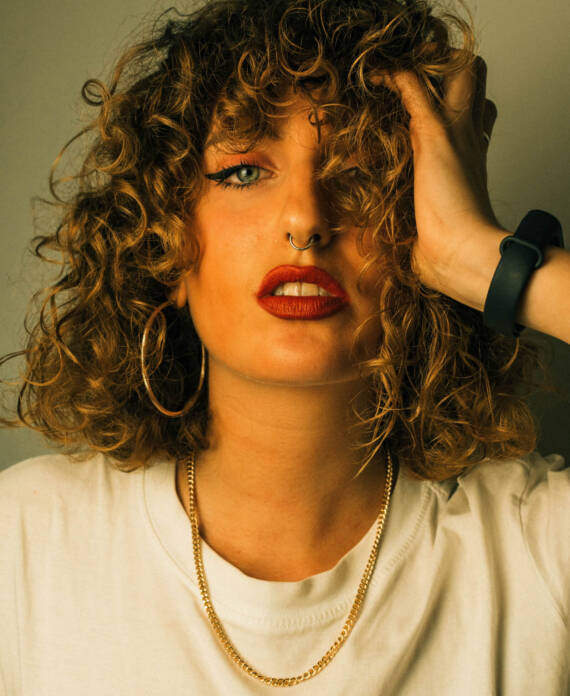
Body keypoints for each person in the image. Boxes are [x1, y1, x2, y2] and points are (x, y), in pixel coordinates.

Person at [0, 0, 568, 693]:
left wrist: (484, 261)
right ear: (166, 246)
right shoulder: (23, 544)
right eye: (243, 171)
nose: (305, 218)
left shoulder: (536, 550)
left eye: (358, 173)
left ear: (417, 228)